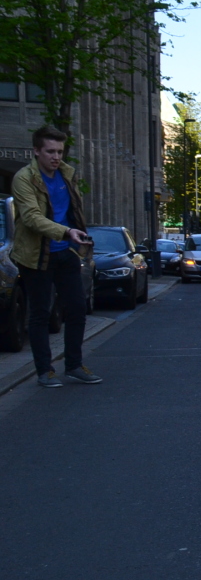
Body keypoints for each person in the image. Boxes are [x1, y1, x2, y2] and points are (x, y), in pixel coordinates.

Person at [10, 125, 101, 387]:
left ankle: (73, 365)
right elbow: (31, 218)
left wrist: (77, 237)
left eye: (60, 151)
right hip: (36, 256)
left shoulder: (66, 175)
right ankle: (44, 371)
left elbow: (73, 210)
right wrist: (66, 232)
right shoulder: (24, 178)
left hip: (66, 252)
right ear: (36, 151)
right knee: (40, 313)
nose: (56, 157)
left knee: (77, 309)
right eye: (50, 151)